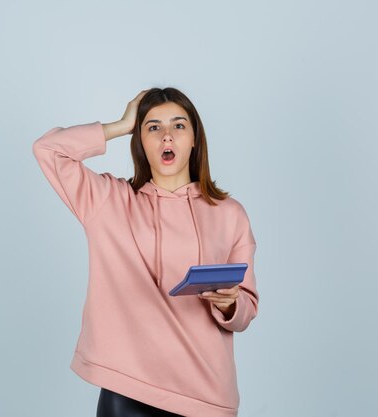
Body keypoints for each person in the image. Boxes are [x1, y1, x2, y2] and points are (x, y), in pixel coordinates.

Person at [32, 87, 259, 417]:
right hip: (127, 388)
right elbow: (48, 149)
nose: (167, 135)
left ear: (195, 138)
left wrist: (230, 304)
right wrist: (121, 125)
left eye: (179, 126)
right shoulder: (108, 201)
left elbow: (247, 307)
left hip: (207, 394)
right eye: (153, 127)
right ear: (139, 141)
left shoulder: (230, 213)